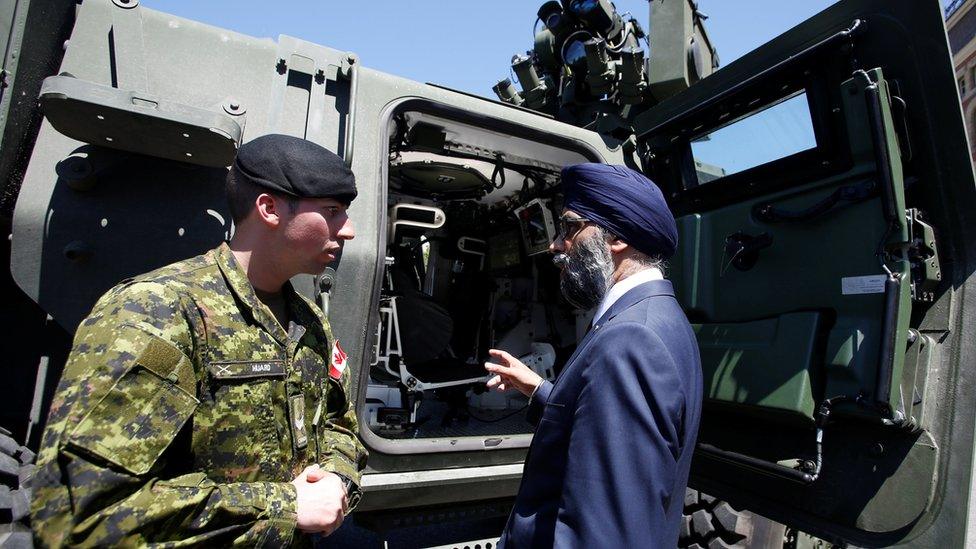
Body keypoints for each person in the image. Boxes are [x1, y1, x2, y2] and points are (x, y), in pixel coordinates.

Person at [31, 134, 368, 547]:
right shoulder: (158, 311)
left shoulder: (308, 322)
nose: (348, 230)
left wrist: (335, 478)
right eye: (332, 211)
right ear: (269, 209)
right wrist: (285, 505)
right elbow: (86, 515)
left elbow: (339, 426)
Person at [485, 163, 703, 548]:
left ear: (615, 236)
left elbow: (606, 532)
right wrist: (540, 390)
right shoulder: (657, 317)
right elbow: (607, 429)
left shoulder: (631, 339)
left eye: (569, 228)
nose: (555, 245)